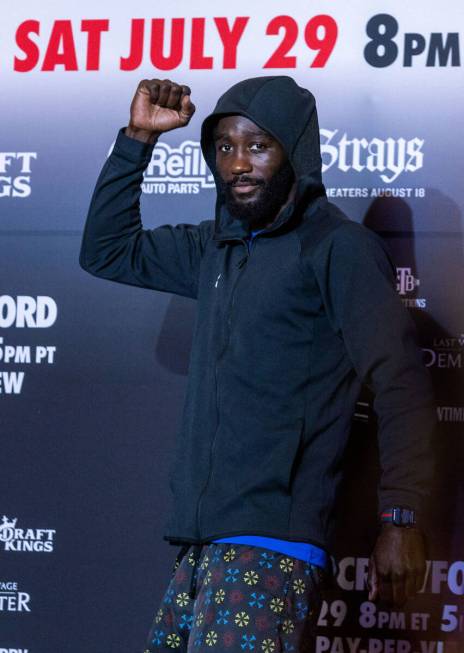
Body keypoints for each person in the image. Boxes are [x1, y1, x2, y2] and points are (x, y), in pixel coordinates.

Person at [79, 76, 436, 652]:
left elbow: (400, 382)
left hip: (272, 546)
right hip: (200, 542)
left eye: (257, 146)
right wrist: (137, 140)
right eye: (224, 147)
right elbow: (106, 250)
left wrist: (400, 518)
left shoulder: (336, 248)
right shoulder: (214, 246)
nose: (238, 164)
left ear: (294, 150)